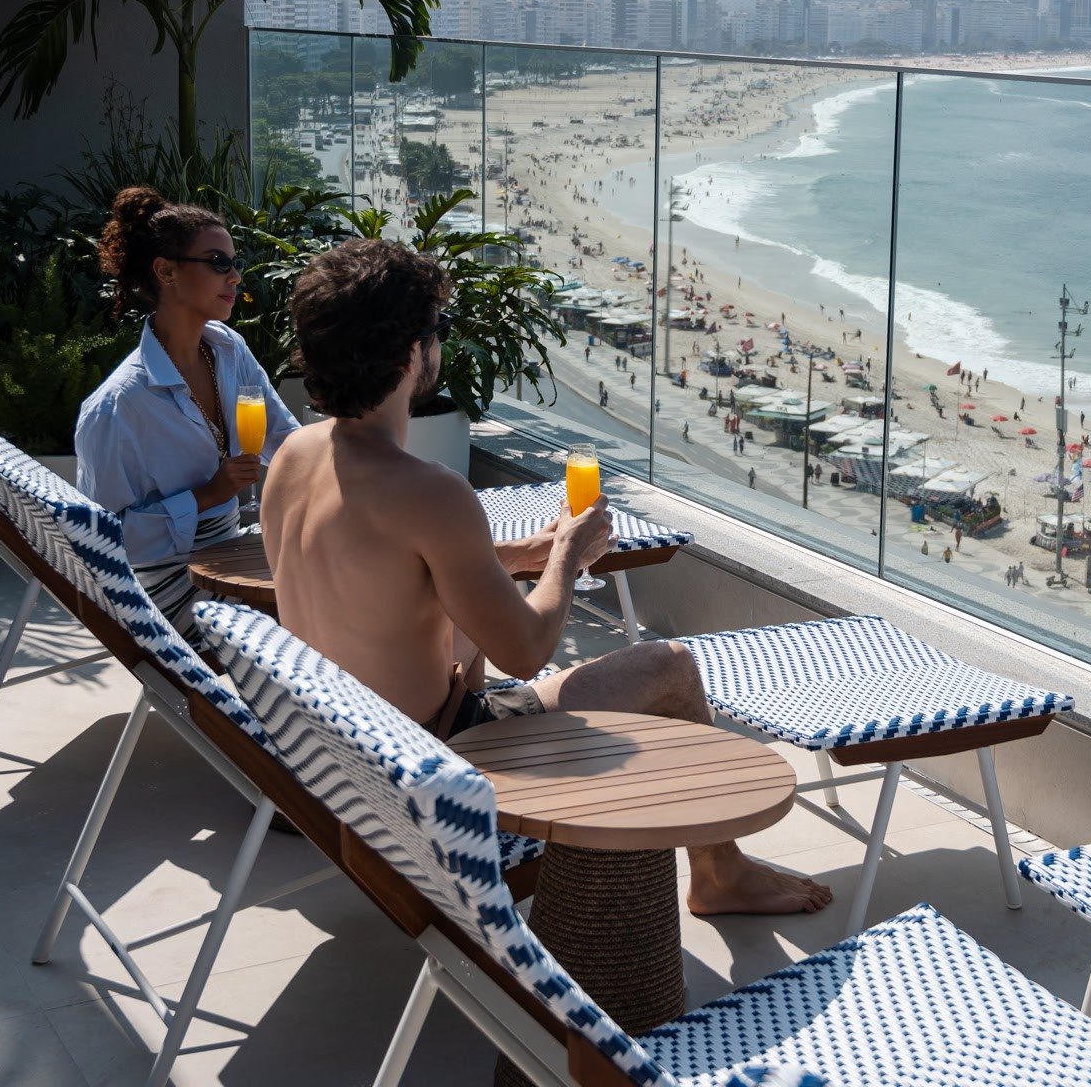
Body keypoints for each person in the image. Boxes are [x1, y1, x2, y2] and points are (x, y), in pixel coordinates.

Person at [263, 239, 828, 915]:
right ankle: (718, 872)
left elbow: (389, 569)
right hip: (441, 765)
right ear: (412, 354)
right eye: (434, 330)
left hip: (343, 763)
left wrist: (525, 551)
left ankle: (720, 870)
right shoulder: (430, 493)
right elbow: (526, 650)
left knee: (491, 651)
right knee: (671, 666)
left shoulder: (293, 457)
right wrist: (567, 554)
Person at [76, 189, 301, 640]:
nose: (235, 276)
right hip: (165, 588)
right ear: (166, 271)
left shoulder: (227, 348)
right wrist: (205, 496)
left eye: (235, 263)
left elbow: (283, 437)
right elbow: (104, 542)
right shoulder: (120, 406)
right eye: (219, 263)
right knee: (341, 599)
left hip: (229, 554)